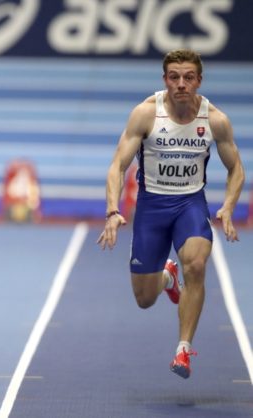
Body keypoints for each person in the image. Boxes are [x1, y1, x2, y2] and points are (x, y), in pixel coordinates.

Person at [97, 49, 244, 379]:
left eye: (188, 77)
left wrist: (228, 206)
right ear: (165, 80)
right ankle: (166, 277)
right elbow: (117, 166)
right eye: (174, 77)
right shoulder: (145, 114)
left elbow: (236, 169)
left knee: (195, 262)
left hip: (190, 204)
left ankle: (183, 349)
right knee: (144, 299)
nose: (181, 84)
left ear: (199, 81)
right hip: (151, 208)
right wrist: (112, 211)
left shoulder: (215, 120)